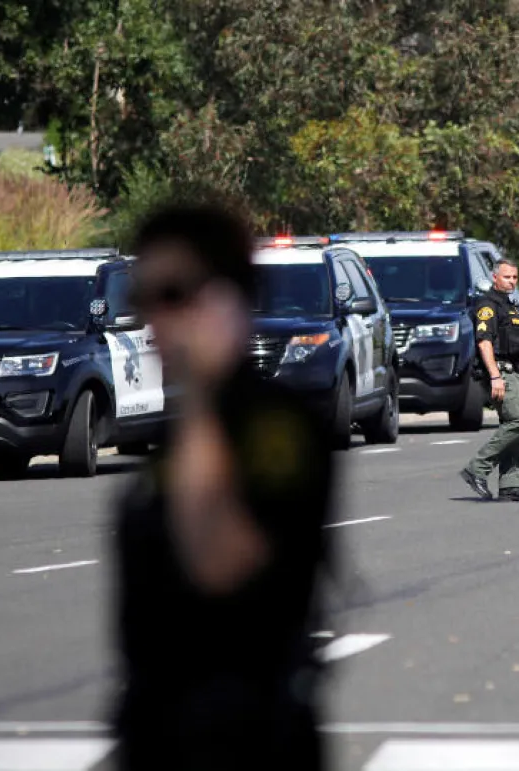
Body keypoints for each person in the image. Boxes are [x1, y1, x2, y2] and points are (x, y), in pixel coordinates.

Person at [109, 202, 336, 770]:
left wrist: (202, 397)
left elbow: (222, 567)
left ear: (228, 297)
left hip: (247, 738)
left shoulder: (276, 427)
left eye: (172, 295)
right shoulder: (178, 431)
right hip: (158, 732)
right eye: (142, 297)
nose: (153, 320)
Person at [459, 258, 519, 502]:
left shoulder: (510, 306)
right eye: (507, 277)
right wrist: (495, 376)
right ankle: (477, 469)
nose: (511, 281)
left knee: (515, 425)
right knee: (516, 422)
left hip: (511, 373)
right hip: (499, 373)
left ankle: (510, 484)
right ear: (494, 277)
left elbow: (511, 345)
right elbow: (484, 342)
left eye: (515, 277)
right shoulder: (488, 305)